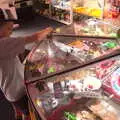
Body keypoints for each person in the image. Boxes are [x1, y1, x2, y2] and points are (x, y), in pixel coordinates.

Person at [0, 8, 53, 120]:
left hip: (8, 89)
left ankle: (18, 116)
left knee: (17, 109)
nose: (11, 32)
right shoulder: (3, 44)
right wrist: (47, 30)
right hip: (17, 91)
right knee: (29, 113)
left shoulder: (4, 43)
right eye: (9, 28)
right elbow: (33, 38)